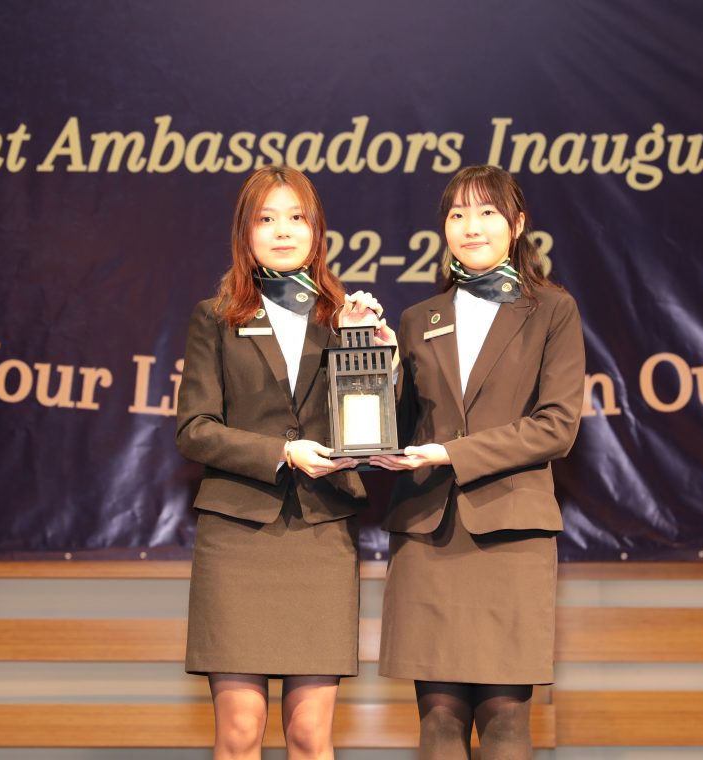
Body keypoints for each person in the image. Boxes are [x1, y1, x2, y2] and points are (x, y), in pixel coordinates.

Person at [370, 165, 586, 760]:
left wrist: (451, 453)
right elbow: (387, 433)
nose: (471, 226)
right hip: (428, 535)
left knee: (506, 720)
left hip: (510, 532)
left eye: (487, 212)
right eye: (458, 214)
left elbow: (557, 426)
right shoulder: (418, 319)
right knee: (437, 721)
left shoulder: (552, 310)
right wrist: (371, 361)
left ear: (516, 225)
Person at [176, 165, 391, 760]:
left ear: (317, 229)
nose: (282, 230)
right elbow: (195, 430)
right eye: (266, 218)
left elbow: (367, 431)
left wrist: (368, 350)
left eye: (297, 217)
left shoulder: (344, 314)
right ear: (244, 232)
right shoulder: (215, 317)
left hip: (320, 535)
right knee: (240, 733)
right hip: (238, 535)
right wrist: (281, 453)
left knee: (308, 736)